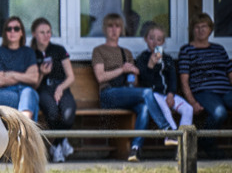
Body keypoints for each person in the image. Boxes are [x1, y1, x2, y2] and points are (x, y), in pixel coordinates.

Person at [91, 13, 168, 162]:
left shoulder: (126, 53)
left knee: (143, 108)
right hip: (108, 94)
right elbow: (100, 77)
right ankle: (166, 129)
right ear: (104, 29)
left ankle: (135, 149)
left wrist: (134, 73)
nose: (114, 30)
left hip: (126, 92)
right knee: (146, 93)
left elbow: (135, 82)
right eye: (110, 26)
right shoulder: (99, 50)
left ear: (122, 29)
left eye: (117, 26)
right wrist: (122, 69)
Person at [178, 12, 232, 158]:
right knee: (220, 113)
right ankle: (205, 143)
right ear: (192, 30)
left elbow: (230, 73)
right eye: (197, 27)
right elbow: (184, 80)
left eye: (204, 27)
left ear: (210, 29)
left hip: (226, 91)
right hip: (203, 92)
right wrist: (192, 102)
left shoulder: (219, 49)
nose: (201, 30)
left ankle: (204, 143)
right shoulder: (187, 50)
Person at [134, 23, 191, 147]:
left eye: (159, 39)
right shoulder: (142, 59)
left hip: (167, 94)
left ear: (163, 42)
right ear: (145, 39)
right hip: (153, 95)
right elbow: (144, 82)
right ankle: (172, 134)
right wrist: (150, 66)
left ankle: (184, 141)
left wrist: (171, 94)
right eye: (151, 38)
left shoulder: (167, 59)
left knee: (188, 109)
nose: (155, 42)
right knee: (164, 108)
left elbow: (173, 79)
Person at [30, 17, 76, 162]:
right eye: (42, 32)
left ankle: (57, 144)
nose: (46, 35)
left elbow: (71, 77)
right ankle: (61, 144)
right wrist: (42, 73)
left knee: (68, 115)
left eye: (48, 32)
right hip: (43, 89)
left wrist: (61, 88)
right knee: (52, 113)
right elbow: (34, 86)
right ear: (34, 34)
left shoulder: (59, 50)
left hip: (61, 88)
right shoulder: (31, 53)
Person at [0, 16, 39, 122]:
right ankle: (26, 126)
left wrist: (12, 74)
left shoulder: (28, 52)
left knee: (28, 93)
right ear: (5, 33)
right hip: (4, 92)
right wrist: (24, 77)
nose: (12, 31)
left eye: (16, 29)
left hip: (25, 91)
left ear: (21, 32)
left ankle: (22, 127)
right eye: (9, 29)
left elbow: (34, 78)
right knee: (28, 100)